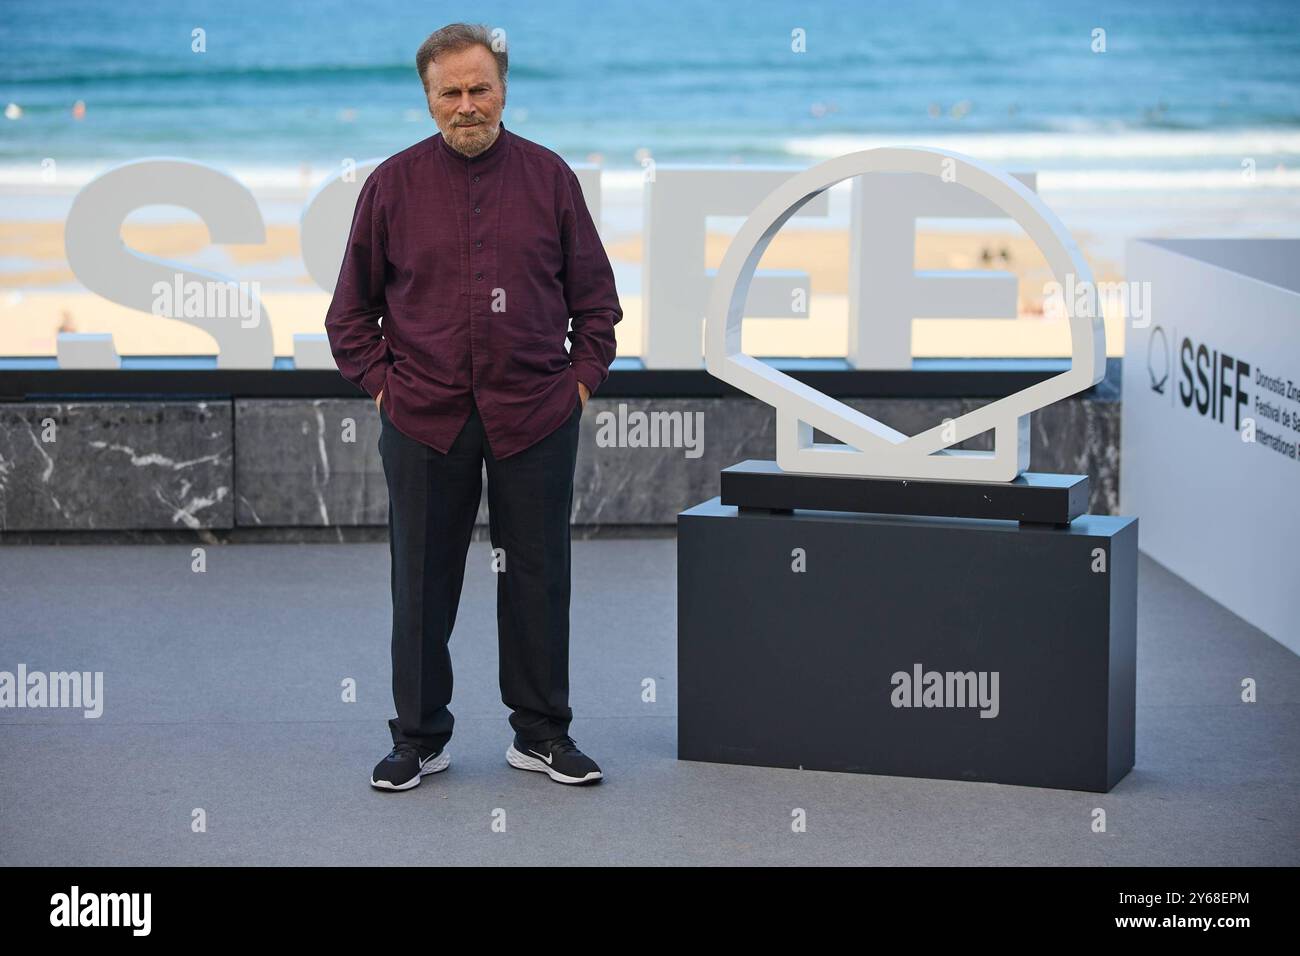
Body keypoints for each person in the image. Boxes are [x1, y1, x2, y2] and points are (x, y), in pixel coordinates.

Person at [325, 22, 621, 790]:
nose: (466, 105)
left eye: (478, 88)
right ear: (427, 101)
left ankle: (542, 734)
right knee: (421, 582)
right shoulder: (390, 186)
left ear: (503, 89)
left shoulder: (551, 178)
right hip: (424, 416)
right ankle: (418, 738)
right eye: (450, 92)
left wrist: (576, 387)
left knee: (539, 575)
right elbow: (349, 317)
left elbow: (597, 306)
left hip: (536, 414)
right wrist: (388, 388)